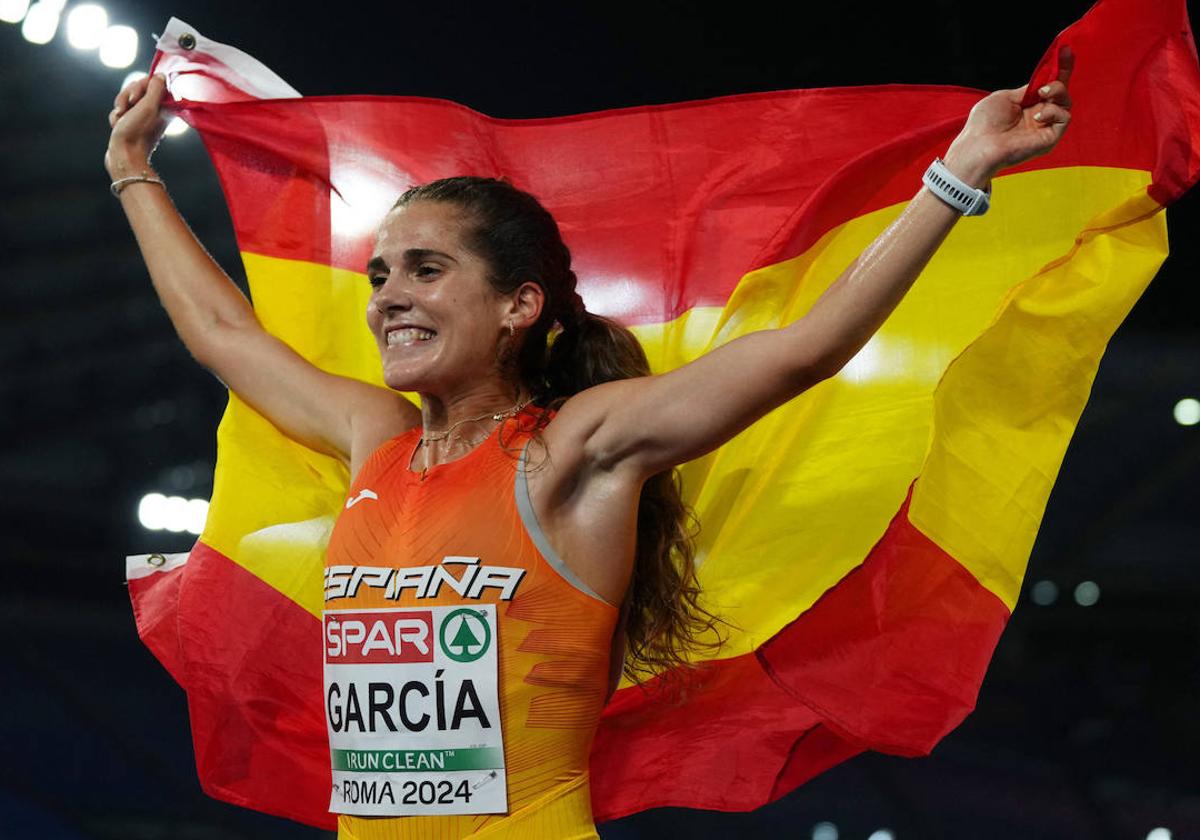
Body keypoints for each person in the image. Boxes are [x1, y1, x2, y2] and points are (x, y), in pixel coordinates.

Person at [106, 54, 1073, 839]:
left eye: (427, 270)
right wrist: (134, 173)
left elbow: (802, 352)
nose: (389, 296)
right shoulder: (376, 440)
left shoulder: (574, 450)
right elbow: (228, 340)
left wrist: (959, 174)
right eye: (380, 274)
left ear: (518, 307)